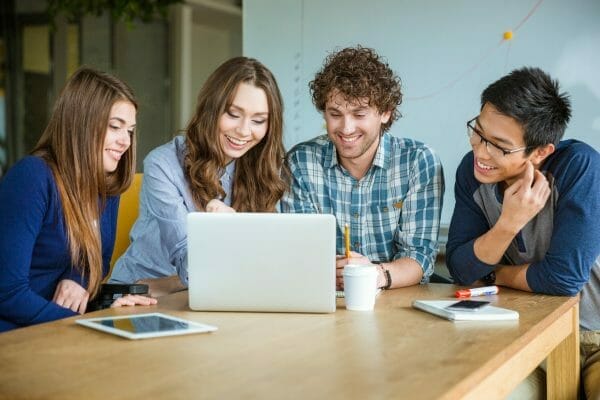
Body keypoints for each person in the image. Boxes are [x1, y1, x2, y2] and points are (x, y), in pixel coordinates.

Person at [446, 67, 600, 399]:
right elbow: (460, 268)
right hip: (525, 337)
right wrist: (507, 225)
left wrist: (492, 275)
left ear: (541, 152)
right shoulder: (473, 173)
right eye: (478, 131)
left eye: (500, 146)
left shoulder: (580, 167)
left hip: (596, 339)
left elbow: (562, 279)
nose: (480, 151)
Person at [109, 57, 289, 295]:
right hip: (137, 294)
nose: (245, 131)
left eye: (258, 121)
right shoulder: (162, 164)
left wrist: (172, 283)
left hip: (207, 293)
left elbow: (272, 263)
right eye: (233, 114)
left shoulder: (265, 168)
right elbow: (191, 265)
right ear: (210, 108)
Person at [0, 67, 157, 332]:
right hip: (16, 334)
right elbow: (7, 293)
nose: (125, 141)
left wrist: (78, 279)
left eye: (130, 130)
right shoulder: (32, 177)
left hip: (59, 329)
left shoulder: (107, 185)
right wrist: (86, 322)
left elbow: (99, 261)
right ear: (81, 124)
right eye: (115, 127)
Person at [281, 46, 444, 290]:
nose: (346, 128)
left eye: (359, 114)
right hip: (326, 297)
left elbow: (419, 257)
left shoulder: (418, 162)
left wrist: (373, 275)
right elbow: (301, 253)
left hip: (396, 300)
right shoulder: (301, 162)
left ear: (385, 113)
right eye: (335, 114)